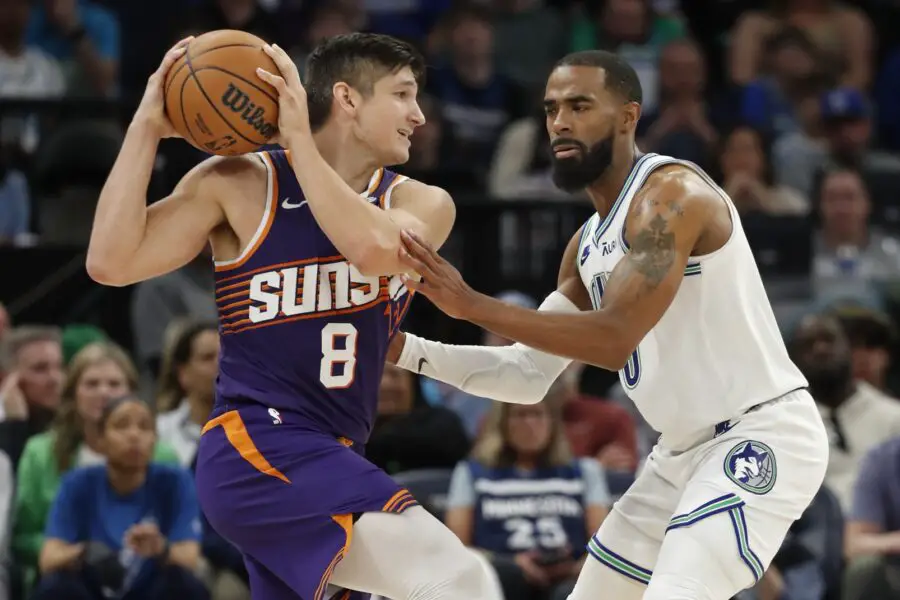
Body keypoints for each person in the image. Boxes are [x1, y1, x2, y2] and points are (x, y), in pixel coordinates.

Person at [388, 50, 829, 600]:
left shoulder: (672, 196)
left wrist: (471, 304)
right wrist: (397, 347)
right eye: (551, 109)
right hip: (678, 453)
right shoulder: (585, 246)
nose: (560, 122)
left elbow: (615, 336)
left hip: (760, 432)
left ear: (627, 116)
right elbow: (525, 375)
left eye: (579, 105)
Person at [86, 33, 495, 600]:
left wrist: (300, 142)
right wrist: (147, 127)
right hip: (256, 446)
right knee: (457, 577)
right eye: (402, 95)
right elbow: (110, 260)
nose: (419, 115)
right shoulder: (239, 184)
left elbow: (375, 251)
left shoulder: (421, 202)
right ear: (348, 99)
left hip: (336, 452)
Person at [31, 395, 208, 600]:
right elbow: (48, 559)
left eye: (144, 427)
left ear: (154, 439)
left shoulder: (175, 481)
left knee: (184, 584)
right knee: (56, 586)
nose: (134, 435)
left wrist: (161, 548)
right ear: (100, 439)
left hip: (149, 590)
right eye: (121, 425)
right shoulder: (77, 483)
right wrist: (84, 552)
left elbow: (190, 558)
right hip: (93, 590)